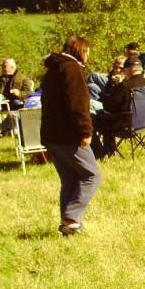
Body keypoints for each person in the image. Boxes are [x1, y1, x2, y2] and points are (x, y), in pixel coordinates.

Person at [41, 36, 101, 237]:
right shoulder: (72, 69)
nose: (88, 56)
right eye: (87, 52)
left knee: (70, 178)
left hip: (51, 134)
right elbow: (78, 104)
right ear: (80, 50)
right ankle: (71, 219)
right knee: (91, 175)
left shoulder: (52, 70)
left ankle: (68, 225)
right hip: (68, 135)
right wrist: (85, 131)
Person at [91, 57, 145, 158]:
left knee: (92, 119)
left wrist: (113, 86)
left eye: (124, 69)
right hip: (142, 124)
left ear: (128, 70)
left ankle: (103, 153)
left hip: (124, 126)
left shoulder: (125, 86)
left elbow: (108, 107)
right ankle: (109, 150)